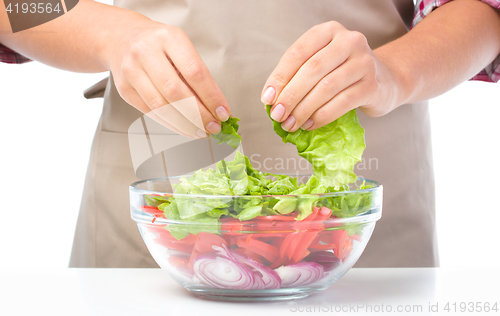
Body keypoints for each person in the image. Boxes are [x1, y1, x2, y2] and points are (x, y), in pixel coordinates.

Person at [1, 0, 499, 268]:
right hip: (160, 196)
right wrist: (104, 33)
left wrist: (394, 73)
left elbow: (482, 7)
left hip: (357, 218)